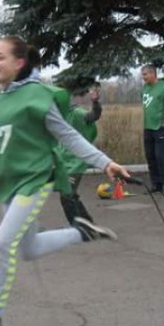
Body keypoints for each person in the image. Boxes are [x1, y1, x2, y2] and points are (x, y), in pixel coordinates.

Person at [0, 36, 131, 326]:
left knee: (2, 244)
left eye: (0, 57)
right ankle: (83, 233)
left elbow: (68, 136)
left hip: (36, 181)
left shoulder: (37, 97)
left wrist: (105, 162)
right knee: (28, 249)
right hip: (9, 182)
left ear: (18, 63)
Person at [57, 82, 102, 224]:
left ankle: (79, 226)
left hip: (76, 162)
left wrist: (95, 101)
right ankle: (87, 223)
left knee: (67, 195)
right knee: (71, 195)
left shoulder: (76, 113)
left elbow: (94, 116)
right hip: (65, 162)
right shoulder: (57, 116)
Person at [141, 65, 164, 196]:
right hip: (148, 126)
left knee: (161, 156)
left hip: (162, 125)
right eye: (142, 74)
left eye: (145, 74)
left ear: (153, 73)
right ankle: (156, 184)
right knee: (150, 156)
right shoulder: (145, 88)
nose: (143, 77)